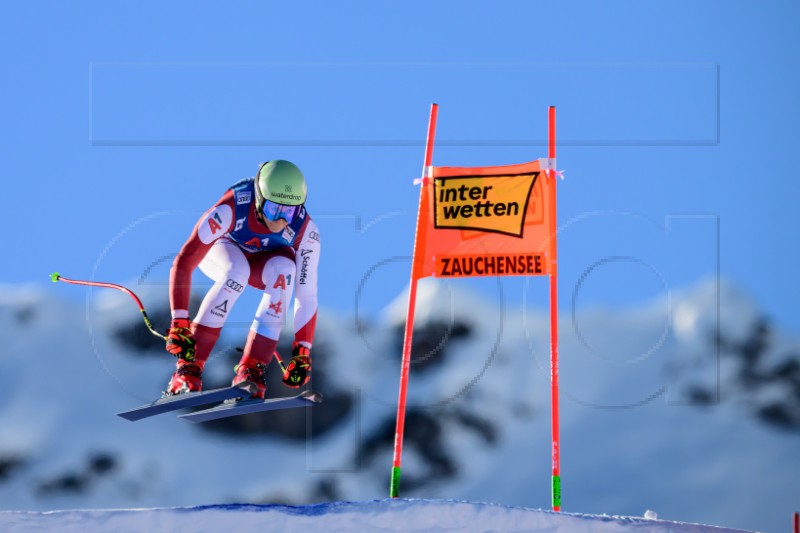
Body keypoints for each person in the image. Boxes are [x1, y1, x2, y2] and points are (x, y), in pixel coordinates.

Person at [164, 160, 321, 398]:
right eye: (273, 210)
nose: (279, 220)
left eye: (288, 212)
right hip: (224, 250)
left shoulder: (305, 230)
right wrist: (179, 321)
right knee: (236, 273)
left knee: (285, 271)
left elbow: (306, 295)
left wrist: (303, 352)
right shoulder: (233, 206)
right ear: (258, 197)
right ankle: (189, 368)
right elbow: (185, 261)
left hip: (264, 262)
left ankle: (251, 371)